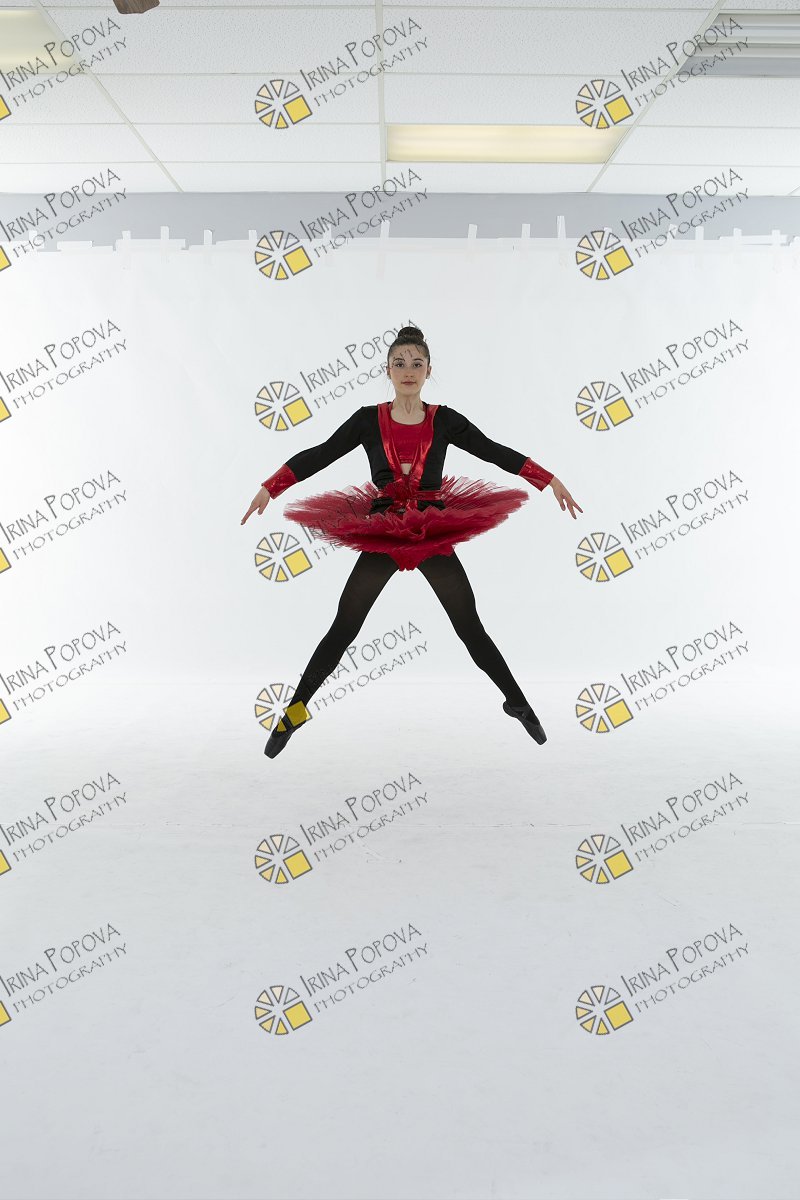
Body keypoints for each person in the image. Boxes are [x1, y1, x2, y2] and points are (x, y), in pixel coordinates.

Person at [241, 325, 582, 758]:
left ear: (428, 371)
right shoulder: (368, 419)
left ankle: (517, 703)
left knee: (469, 626)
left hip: (431, 531)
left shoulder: (445, 420)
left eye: (416, 364)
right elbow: (321, 453)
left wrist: (547, 479)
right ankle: (294, 713)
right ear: (387, 370)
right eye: (399, 363)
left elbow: (492, 450)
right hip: (384, 530)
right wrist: (271, 487)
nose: (408, 371)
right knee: (344, 627)